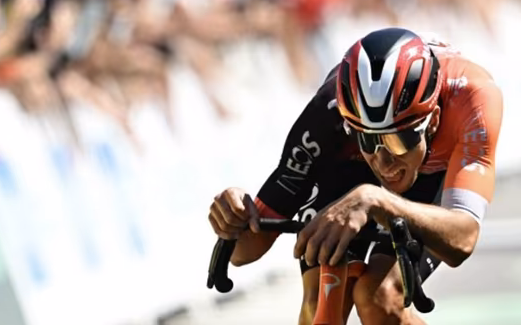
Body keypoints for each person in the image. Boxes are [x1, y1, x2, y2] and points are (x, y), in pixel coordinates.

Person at [209, 27, 502, 325]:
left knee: (381, 298)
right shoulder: (329, 110)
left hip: (431, 172)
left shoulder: (473, 98)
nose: (385, 161)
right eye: (368, 141)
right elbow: (245, 252)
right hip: (350, 172)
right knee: (318, 305)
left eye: (398, 140)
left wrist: (377, 200)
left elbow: (463, 239)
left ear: (432, 121)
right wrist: (233, 218)